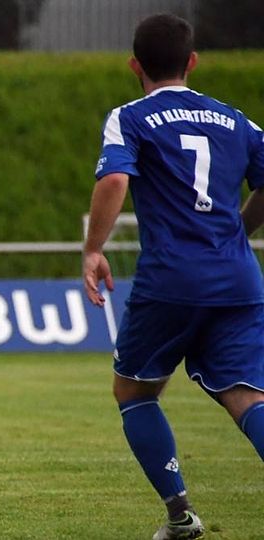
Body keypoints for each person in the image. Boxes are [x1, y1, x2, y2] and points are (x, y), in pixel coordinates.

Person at [83, 13, 264, 540]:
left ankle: (181, 516)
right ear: (192, 62)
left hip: (172, 279)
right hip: (238, 279)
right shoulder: (236, 120)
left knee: (134, 392)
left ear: (134, 65)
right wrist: (239, 228)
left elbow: (114, 179)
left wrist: (93, 249)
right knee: (248, 397)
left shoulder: (130, 117)